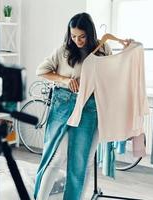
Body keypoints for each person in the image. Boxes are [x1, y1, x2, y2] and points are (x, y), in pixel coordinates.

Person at [33, 12, 126, 200]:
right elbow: (41, 71)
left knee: (79, 164)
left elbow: (114, 77)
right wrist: (65, 80)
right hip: (64, 102)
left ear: (90, 34)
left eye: (82, 36)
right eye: (73, 36)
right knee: (54, 158)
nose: (77, 40)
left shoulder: (103, 49)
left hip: (90, 107)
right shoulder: (64, 50)